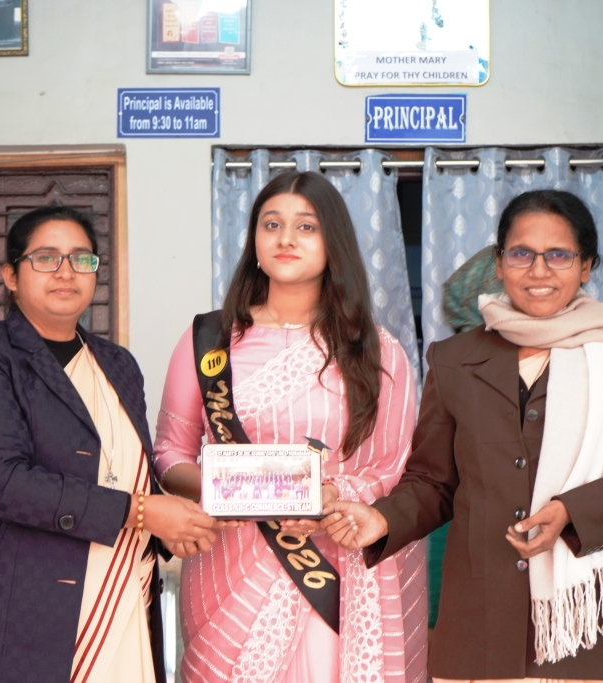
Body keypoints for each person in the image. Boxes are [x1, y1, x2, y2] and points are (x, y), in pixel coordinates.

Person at [323, 189, 603, 682]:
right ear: (500, 263)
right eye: (522, 254)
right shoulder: (455, 360)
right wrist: (380, 519)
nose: (539, 270)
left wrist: (572, 511)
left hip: (599, 630)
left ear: (586, 266)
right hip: (481, 631)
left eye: (559, 255)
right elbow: (433, 482)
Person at [0, 205, 217, 683]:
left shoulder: (117, 365)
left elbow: (124, 469)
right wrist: (142, 513)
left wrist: (176, 522)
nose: (66, 271)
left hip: (124, 593)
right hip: (21, 611)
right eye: (46, 258)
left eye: (81, 258)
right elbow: (1, 482)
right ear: (11, 275)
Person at [154, 171, 428, 683]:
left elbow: (396, 465)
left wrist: (329, 496)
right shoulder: (208, 340)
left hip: (334, 565)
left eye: (306, 226)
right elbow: (170, 454)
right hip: (227, 563)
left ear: (333, 242)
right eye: (271, 224)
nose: (286, 238)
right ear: (254, 241)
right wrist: (230, 490)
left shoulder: (376, 351)